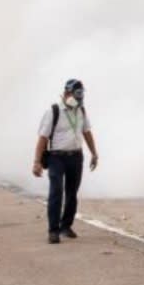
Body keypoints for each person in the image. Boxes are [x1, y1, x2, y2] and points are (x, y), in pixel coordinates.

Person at [32, 79, 99, 244]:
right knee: (56, 192)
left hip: (76, 157)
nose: (79, 97)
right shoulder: (53, 111)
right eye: (77, 94)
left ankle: (66, 226)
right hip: (56, 157)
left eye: (81, 94)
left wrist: (94, 153)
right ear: (67, 92)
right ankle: (53, 230)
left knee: (72, 193)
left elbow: (87, 132)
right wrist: (37, 161)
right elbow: (43, 137)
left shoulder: (80, 110)